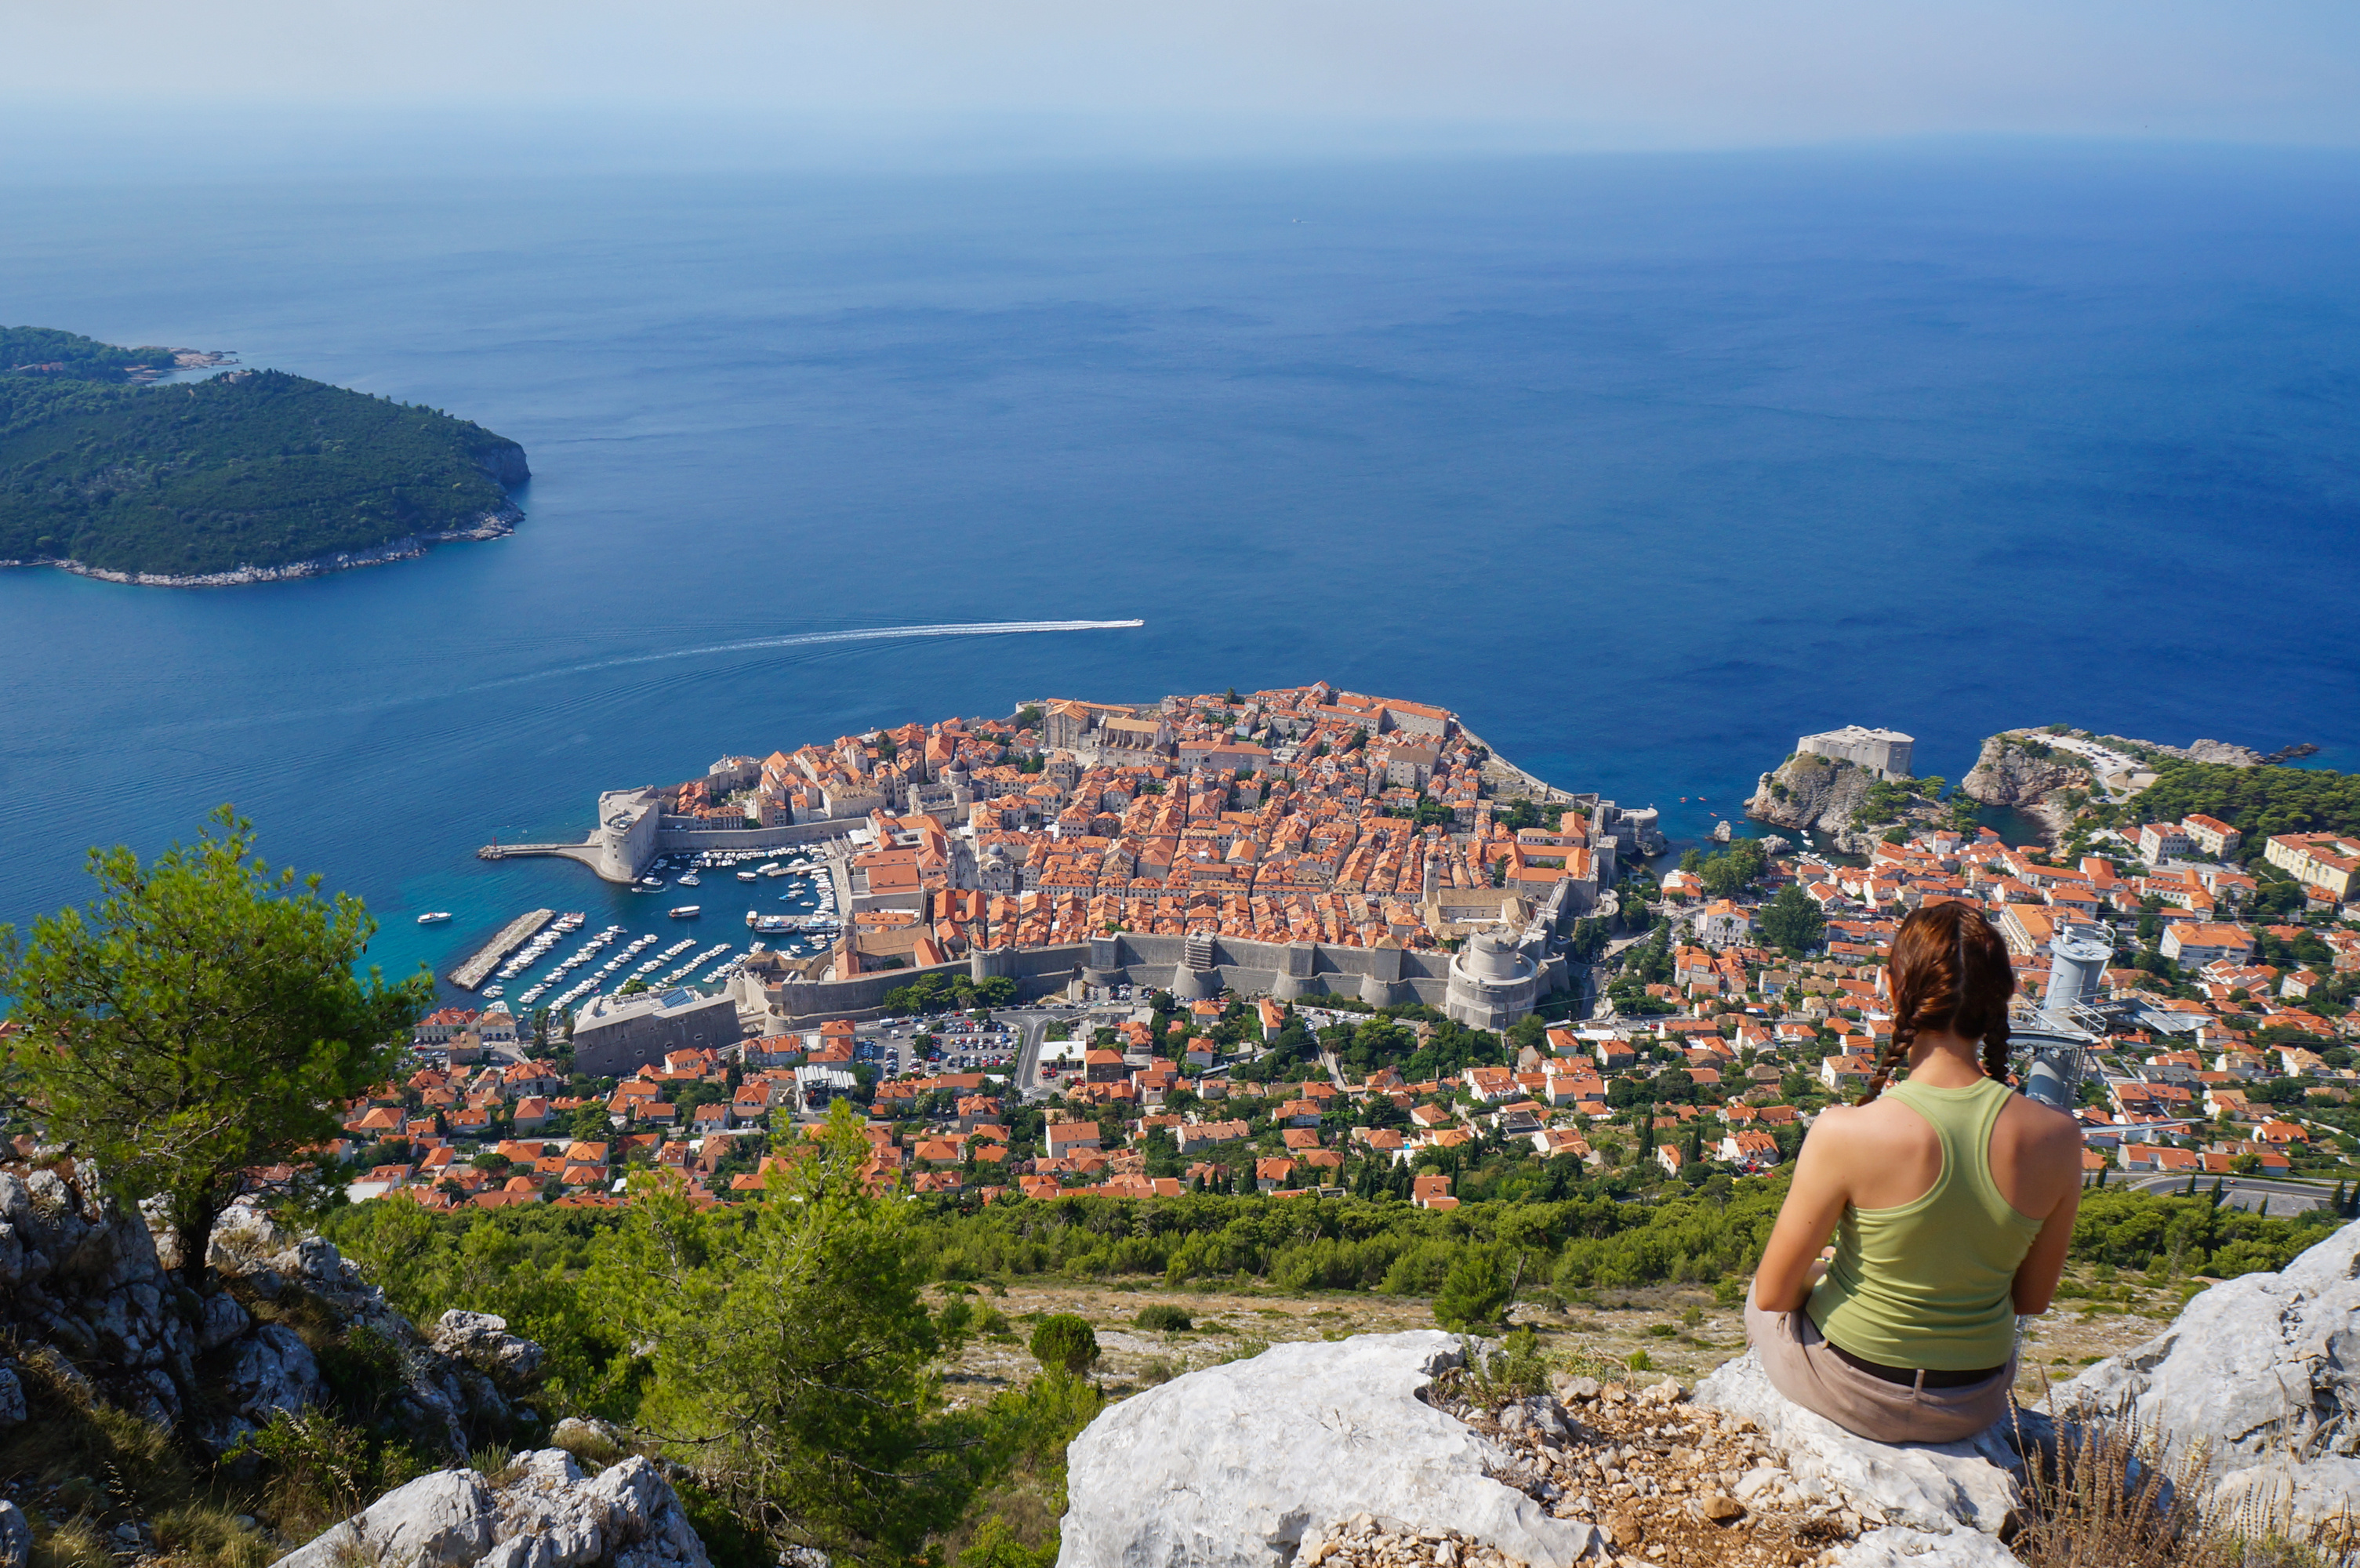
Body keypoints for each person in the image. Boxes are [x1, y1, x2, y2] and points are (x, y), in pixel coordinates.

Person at [1746, 900, 2084, 1443]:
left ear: (1893, 988)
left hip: (1852, 1390)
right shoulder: (2061, 1138)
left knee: (1757, 1294)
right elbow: (2031, 1299)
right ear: (2002, 998)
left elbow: (1774, 1294)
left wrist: (1832, 1274)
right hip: (1973, 1401)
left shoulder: (1845, 1130)